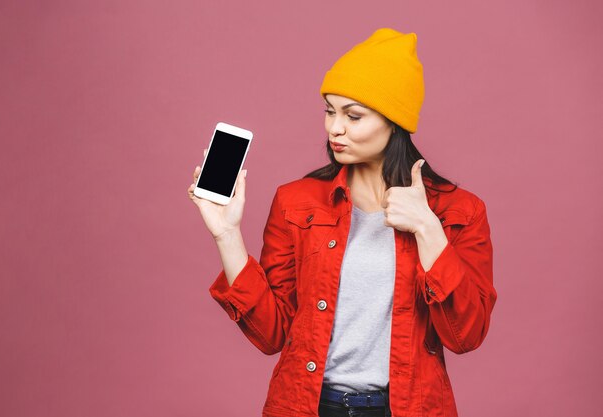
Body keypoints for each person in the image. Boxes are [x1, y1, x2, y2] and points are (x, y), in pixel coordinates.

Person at [188, 28, 497, 417]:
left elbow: (464, 336)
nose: (335, 128)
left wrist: (428, 230)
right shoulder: (296, 201)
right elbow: (272, 334)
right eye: (330, 111)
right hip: (306, 405)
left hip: (406, 408)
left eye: (353, 115)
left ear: (395, 121)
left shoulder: (459, 211)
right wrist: (227, 235)